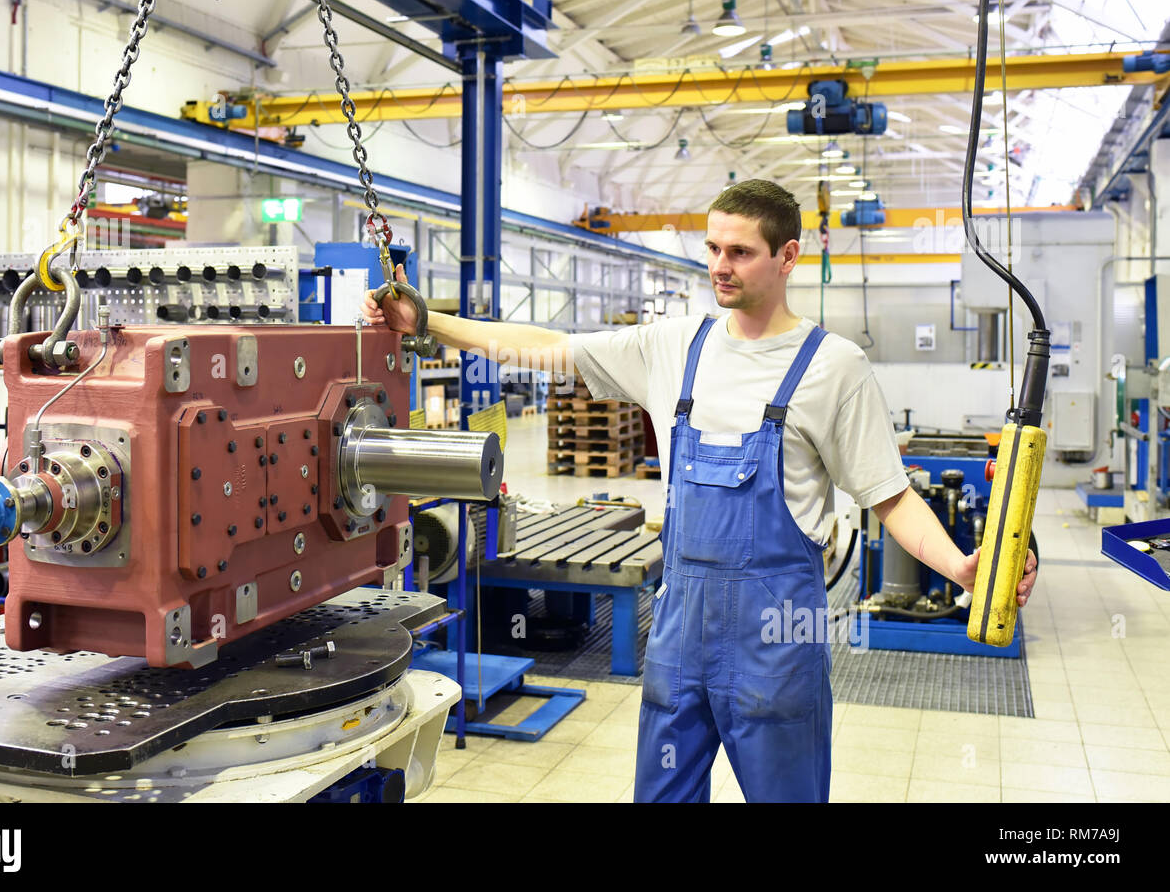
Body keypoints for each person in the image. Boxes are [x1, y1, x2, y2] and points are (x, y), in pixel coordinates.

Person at [361, 178, 1038, 803]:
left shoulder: (834, 368)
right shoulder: (676, 345)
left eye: (740, 251)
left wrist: (958, 565)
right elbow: (545, 345)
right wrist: (429, 323)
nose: (720, 264)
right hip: (679, 639)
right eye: (713, 246)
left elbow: (889, 496)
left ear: (788, 256)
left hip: (778, 646)